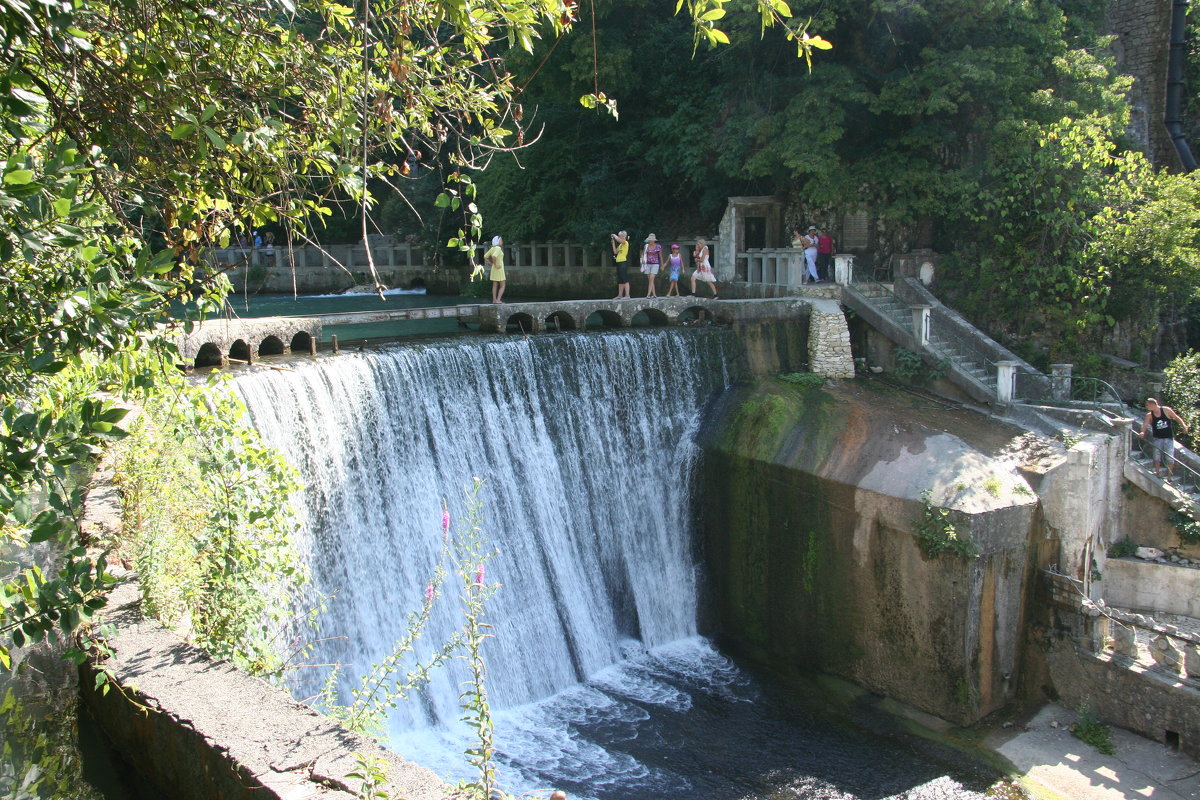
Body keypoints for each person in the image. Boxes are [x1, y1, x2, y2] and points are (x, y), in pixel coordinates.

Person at [1140, 397, 1190, 481]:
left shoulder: (1166, 410)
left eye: (1147, 405)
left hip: (1168, 438)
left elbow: (1176, 418)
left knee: (1169, 457)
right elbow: (1144, 424)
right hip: (1157, 438)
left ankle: (1169, 477)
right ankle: (1157, 473)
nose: (1146, 407)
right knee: (1156, 456)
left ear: (1153, 404)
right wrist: (1142, 432)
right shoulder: (1149, 415)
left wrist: (1184, 426)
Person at [485, 235, 506, 304]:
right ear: (498, 241)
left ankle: (494, 300)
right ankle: (498, 300)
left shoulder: (492, 248)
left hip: (494, 269)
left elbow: (485, 257)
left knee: (495, 285)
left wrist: (492, 264)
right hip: (499, 269)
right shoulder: (498, 248)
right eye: (501, 240)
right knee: (502, 285)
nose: (502, 242)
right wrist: (496, 264)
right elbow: (494, 257)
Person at [610, 230, 631, 299]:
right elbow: (615, 252)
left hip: (623, 262)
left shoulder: (625, 242)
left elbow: (620, 240)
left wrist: (614, 235)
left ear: (623, 236)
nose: (618, 237)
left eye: (619, 236)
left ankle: (627, 295)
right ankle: (620, 295)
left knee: (625, 278)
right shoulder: (621, 245)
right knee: (620, 279)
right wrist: (613, 243)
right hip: (619, 262)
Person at [641, 233, 662, 297]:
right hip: (647, 264)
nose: (650, 241)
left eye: (651, 240)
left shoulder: (658, 246)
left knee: (651, 278)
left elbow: (660, 256)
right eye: (650, 240)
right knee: (650, 279)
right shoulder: (646, 246)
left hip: (655, 264)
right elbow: (643, 254)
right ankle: (654, 294)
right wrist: (643, 260)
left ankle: (648, 294)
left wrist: (662, 264)